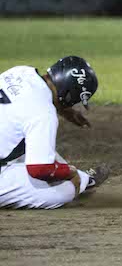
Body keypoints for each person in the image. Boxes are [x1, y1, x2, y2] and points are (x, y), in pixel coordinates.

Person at [0, 56, 110, 209]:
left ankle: (84, 180)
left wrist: (62, 110)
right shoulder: (44, 114)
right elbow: (40, 169)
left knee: (32, 143)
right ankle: (82, 180)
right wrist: (70, 173)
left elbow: (21, 105)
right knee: (65, 190)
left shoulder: (20, 72)